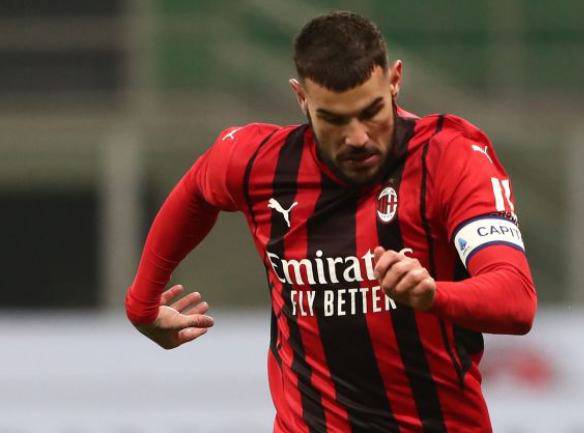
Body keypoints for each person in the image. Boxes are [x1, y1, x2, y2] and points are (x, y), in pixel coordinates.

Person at [125, 11, 537, 433]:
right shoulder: (257, 162)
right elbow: (197, 191)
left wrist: (433, 295)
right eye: (335, 120)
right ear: (301, 98)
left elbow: (517, 299)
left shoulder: (450, 157)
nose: (358, 137)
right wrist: (142, 304)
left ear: (395, 81)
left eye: (371, 112)